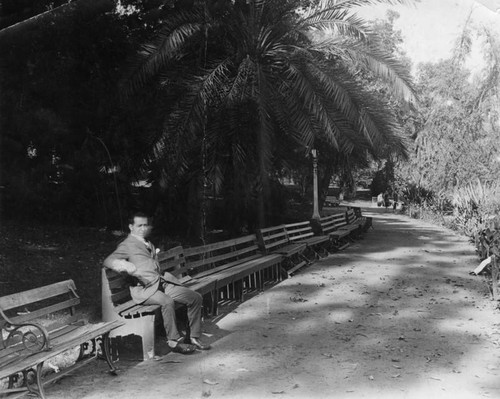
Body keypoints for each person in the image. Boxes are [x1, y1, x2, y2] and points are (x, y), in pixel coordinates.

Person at [103, 211, 210, 354]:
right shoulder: (126, 245)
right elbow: (109, 261)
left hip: (160, 283)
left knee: (195, 297)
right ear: (131, 227)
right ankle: (174, 342)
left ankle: (193, 337)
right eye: (139, 225)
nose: (143, 228)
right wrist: (125, 266)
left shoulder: (149, 244)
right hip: (144, 290)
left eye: (145, 225)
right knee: (167, 301)